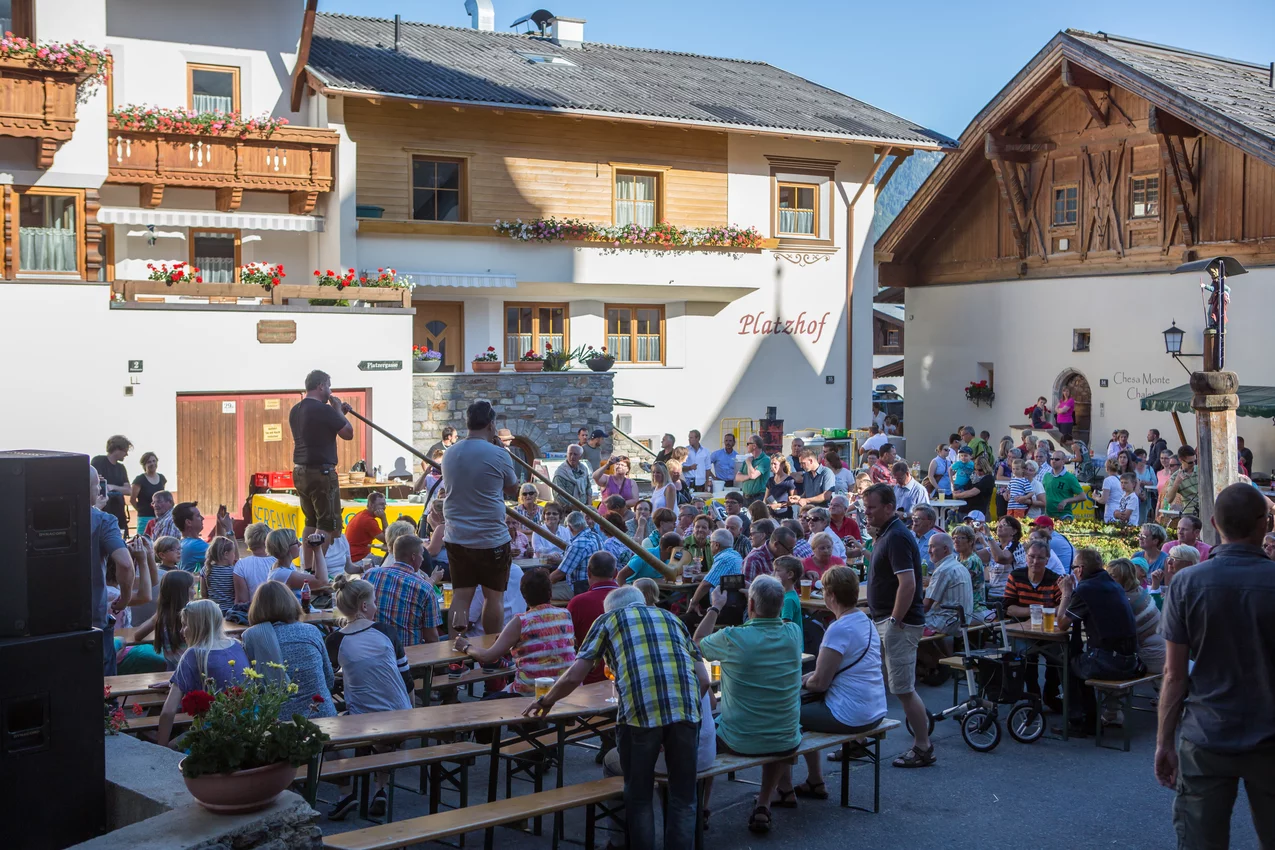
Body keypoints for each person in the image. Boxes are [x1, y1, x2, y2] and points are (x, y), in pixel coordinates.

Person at [524, 586, 708, 850]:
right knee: (683, 798)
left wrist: (546, 701)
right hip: (686, 712)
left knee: (640, 796)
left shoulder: (609, 620)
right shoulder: (671, 618)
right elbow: (702, 680)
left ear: (610, 609)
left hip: (639, 715)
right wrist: (677, 717)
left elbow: (576, 675)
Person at [1156, 484, 1275, 846]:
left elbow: (1174, 675)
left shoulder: (1187, 583)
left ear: (1212, 524)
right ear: (1265, 525)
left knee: (1200, 841)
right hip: (1271, 736)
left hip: (1207, 734)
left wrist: (1164, 741)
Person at [694, 576, 802, 834]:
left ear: (750, 604)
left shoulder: (733, 637)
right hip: (786, 736)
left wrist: (715, 607)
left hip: (740, 738)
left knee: (707, 735)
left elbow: (695, 644)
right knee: (775, 720)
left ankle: (703, 809)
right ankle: (764, 804)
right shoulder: (793, 633)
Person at [325, 575, 415, 820]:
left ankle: (345, 793)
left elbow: (326, 680)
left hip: (363, 717)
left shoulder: (336, 641)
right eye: (374, 601)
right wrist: (415, 714)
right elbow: (407, 679)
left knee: (325, 733)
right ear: (364, 606)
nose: (376, 606)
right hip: (401, 715)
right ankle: (381, 789)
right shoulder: (386, 632)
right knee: (381, 729)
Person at [862, 483, 932, 767]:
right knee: (867, 682)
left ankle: (923, 747)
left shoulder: (897, 537)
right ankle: (859, 742)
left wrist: (895, 619)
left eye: (872, 508)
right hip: (883, 620)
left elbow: (908, 583)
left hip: (898, 624)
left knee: (903, 688)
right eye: (865, 508)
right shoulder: (887, 534)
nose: (866, 513)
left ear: (890, 507)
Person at [443, 401, 518, 637]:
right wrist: (502, 452)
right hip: (491, 538)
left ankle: (455, 656)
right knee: (493, 597)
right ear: (491, 424)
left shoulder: (449, 453)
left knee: (461, 597)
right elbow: (512, 488)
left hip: (457, 535)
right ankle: (491, 654)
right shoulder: (499, 454)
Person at [1055, 547, 1142, 737]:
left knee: (1068, 663)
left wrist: (1066, 593)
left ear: (1081, 569)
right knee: (1077, 661)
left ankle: (1079, 721)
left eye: (1074, 567)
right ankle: (1089, 718)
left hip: (1111, 662)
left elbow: (1061, 623)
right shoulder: (1112, 584)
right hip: (1131, 660)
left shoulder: (1085, 589)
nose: (1073, 571)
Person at [456, 567, 576, 697]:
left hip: (531, 692)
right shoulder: (566, 615)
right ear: (550, 593)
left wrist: (466, 646)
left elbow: (487, 657)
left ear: (523, 595)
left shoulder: (521, 621)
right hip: (566, 690)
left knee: (485, 706)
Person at [155, 599, 249, 747]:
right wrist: (176, 680)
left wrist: (160, 750)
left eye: (185, 625)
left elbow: (168, 712)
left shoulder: (194, 654)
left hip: (213, 735)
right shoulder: (236, 645)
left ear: (197, 626)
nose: (181, 631)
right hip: (244, 731)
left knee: (171, 747)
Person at [289, 370, 354, 578]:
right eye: (328, 386)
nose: (330, 391)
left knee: (311, 521)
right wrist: (338, 411)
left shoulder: (295, 410)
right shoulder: (323, 410)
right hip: (322, 473)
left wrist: (335, 413)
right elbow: (348, 433)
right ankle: (318, 575)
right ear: (320, 386)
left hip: (300, 471)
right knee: (327, 525)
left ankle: (307, 569)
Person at [244, 580, 336, 719]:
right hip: (323, 715)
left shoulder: (252, 636)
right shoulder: (311, 631)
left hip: (280, 723)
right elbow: (329, 680)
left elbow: (253, 687)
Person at [1003, 539, 1064, 711]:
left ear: (1048, 558)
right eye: (1032, 556)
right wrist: (1036, 611)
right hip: (1022, 630)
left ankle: (1050, 695)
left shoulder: (1055, 580)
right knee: (1024, 657)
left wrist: (1040, 613)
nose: (1035, 561)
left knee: (1058, 658)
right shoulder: (1016, 576)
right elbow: (1009, 608)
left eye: (1040, 558)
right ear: (1026, 557)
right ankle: (1033, 697)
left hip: (1049, 630)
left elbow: (1062, 607)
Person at [89, 466, 133, 675]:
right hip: (92, 619)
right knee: (103, 688)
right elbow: (124, 563)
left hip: (47, 622)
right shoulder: (103, 521)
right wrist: (124, 597)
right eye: (97, 485)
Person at [364, 534, 442, 646]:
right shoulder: (424, 588)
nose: (423, 558)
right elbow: (432, 639)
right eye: (422, 554)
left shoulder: (369, 575)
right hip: (409, 655)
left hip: (373, 649)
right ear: (414, 557)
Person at [566, 552, 620, 684]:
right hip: (627, 675)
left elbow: (566, 641)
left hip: (589, 679)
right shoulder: (631, 598)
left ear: (588, 572)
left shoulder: (578, 603)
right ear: (616, 573)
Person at [1105, 558, 1165, 675]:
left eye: (1113, 576)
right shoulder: (1139, 591)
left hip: (1152, 658)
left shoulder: (1123, 600)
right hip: (1165, 651)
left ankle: (1116, 693)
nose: (1107, 579)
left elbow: (1110, 633)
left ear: (1125, 578)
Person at [923, 533, 974, 634]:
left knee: (903, 624)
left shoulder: (943, 570)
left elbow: (926, 605)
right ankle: (942, 650)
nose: (929, 551)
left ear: (945, 549)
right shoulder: (960, 567)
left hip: (945, 624)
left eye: (932, 547)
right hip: (962, 622)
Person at [688, 528, 744, 612]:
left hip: (724, 608)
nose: (710, 545)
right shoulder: (736, 555)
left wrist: (693, 603)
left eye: (710, 543)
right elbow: (721, 578)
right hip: (735, 604)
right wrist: (701, 576)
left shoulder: (724, 558)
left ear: (716, 545)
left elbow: (706, 584)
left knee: (686, 619)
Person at [266, 528, 327, 602]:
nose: (300, 544)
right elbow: (322, 581)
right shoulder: (282, 574)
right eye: (296, 542)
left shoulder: (285, 567)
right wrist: (317, 549)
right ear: (286, 546)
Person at [92, 434, 132, 532]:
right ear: (118, 449)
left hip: (118, 512)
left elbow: (128, 490)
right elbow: (94, 481)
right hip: (103, 509)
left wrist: (112, 487)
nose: (126, 454)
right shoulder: (99, 461)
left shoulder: (121, 468)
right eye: (125, 450)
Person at [233, 523, 275, 607]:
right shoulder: (280, 560)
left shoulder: (241, 565)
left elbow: (242, 601)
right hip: (282, 612)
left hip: (254, 614)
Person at [1149, 544, 1201, 610]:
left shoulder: (1187, 586)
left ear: (1188, 564)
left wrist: (1155, 589)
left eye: (1174, 559)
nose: (1168, 562)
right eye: (1169, 558)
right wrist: (1155, 585)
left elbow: (1159, 609)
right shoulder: (1181, 582)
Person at [986, 516, 1025, 601]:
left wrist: (989, 536)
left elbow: (1001, 558)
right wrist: (972, 536)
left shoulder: (1016, 546)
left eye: (1004, 524)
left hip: (1009, 596)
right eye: (999, 524)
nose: (999, 526)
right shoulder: (996, 546)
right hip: (992, 594)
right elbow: (975, 555)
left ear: (1014, 531)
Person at [200, 537, 239, 617]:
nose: (234, 555)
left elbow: (203, 594)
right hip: (230, 611)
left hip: (212, 610)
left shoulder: (206, 569)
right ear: (226, 554)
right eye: (233, 553)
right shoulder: (233, 571)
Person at [345, 492, 388, 563]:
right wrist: (384, 518)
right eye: (381, 504)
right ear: (371, 505)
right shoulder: (368, 520)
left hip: (354, 557)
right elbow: (387, 540)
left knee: (385, 561)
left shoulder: (362, 514)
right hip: (358, 559)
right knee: (388, 563)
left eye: (384, 504)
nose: (384, 507)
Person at [130, 452, 167, 534]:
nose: (152, 464)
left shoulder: (162, 478)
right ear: (144, 465)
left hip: (160, 517)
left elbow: (164, 496)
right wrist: (141, 510)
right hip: (145, 518)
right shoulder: (139, 480)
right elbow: (132, 499)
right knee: (144, 542)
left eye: (154, 461)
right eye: (149, 462)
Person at [1042, 451, 1086, 519]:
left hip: (1064, 515)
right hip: (1048, 515)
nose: (1053, 461)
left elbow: (1083, 496)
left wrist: (1066, 501)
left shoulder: (1070, 477)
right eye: (1052, 459)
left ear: (1063, 461)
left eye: (1057, 459)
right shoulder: (1046, 476)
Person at [1162, 445, 1200, 518]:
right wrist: (1177, 482)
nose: (1193, 464)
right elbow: (1169, 499)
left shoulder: (1200, 470)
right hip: (1189, 513)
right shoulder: (1175, 477)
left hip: (1206, 509)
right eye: (1190, 462)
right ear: (1181, 460)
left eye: (1195, 461)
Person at [553, 444, 593, 513]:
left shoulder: (583, 469)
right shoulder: (560, 472)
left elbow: (588, 487)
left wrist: (588, 507)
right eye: (570, 454)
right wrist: (573, 507)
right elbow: (558, 495)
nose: (572, 457)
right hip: (565, 512)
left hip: (583, 511)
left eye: (575, 454)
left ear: (580, 456)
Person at [735, 434, 770, 505]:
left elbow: (753, 476)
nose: (746, 446)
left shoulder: (765, 460)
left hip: (758, 497)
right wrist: (748, 476)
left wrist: (749, 464)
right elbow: (737, 477)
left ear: (754, 446)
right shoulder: (749, 459)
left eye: (748, 444)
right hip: (745, 497)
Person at [765, 455, 797, 519]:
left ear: (782, 465)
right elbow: (765, 498)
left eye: (775, 464)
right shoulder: (770, 480)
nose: (772, 466)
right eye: (771, 464)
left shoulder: (789, 480)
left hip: (785, 516)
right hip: (772, 516)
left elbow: (794, 501)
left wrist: (779, 505)